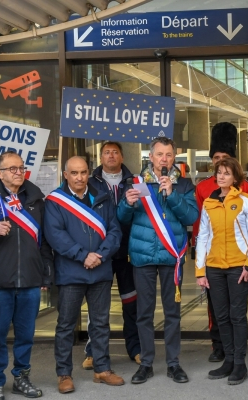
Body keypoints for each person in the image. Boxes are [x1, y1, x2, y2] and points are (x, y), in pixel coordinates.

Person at [0, 151, 53, 400]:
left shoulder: (36, 201)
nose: (18, 172)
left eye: (21, 168)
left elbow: (44, 241)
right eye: (12, 169)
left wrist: (45, 274)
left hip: (30, 279)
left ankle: (21, 378)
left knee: (25, 335)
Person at [118, 137, 198, 385]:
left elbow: (192, 216)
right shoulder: (135, 182)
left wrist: (172, 194)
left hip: (171, 256)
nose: (164, 159)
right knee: (144, 313)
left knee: (172, 313)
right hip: (143, 257)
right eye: (160, 154)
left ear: (174, 158)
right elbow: (121, 218)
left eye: (169, 155)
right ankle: (147, 363)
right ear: (150, 157)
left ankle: (173, 364)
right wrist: (128, 204)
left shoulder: (183, 184)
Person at [44, 156, 124, 393]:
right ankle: (64, 374)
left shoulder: (102, 196)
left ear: (89, 173)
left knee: (100, 323)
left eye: (83, 172)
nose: (79, 177)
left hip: (100, 271)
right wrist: (83, 255)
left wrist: (99, 255)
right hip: (71, 273)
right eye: (74, 173)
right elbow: (55, 235)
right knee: (66, 325)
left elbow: (115, 230)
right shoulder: (55, 201)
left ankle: (102, 369)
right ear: (65, 175)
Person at [195, 157, 248, 385]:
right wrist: (200, 271)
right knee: (221, 316)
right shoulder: (209, 203)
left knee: (237, 316)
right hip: (214, 268)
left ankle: (240, 364)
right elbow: (202, 237)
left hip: (238, 267)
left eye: (226, 173)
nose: (221, 176)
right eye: (219, 173)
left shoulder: (247, 201)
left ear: (235, 177)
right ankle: (229, 360)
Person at [191, 122, 248, 363]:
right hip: (213, 257)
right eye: (216, 157)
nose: (219, 162)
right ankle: (218, 346)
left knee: (236, 310)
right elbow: (200, 226)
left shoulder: (244, 186)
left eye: (224, 157)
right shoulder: (203, 187)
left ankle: (237, 353)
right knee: (215, 307)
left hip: (238, 256)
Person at [81, 141, 141, 369]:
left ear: (123, 157)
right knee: (97, 306)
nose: (111, 156)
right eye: (106, 152)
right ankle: (94, 352)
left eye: (115, 152)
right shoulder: (90, 182)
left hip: (127, 251)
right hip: (100, 252)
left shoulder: (134, 181)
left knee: (131, 303)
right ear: (100, 158)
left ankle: (135, 348)